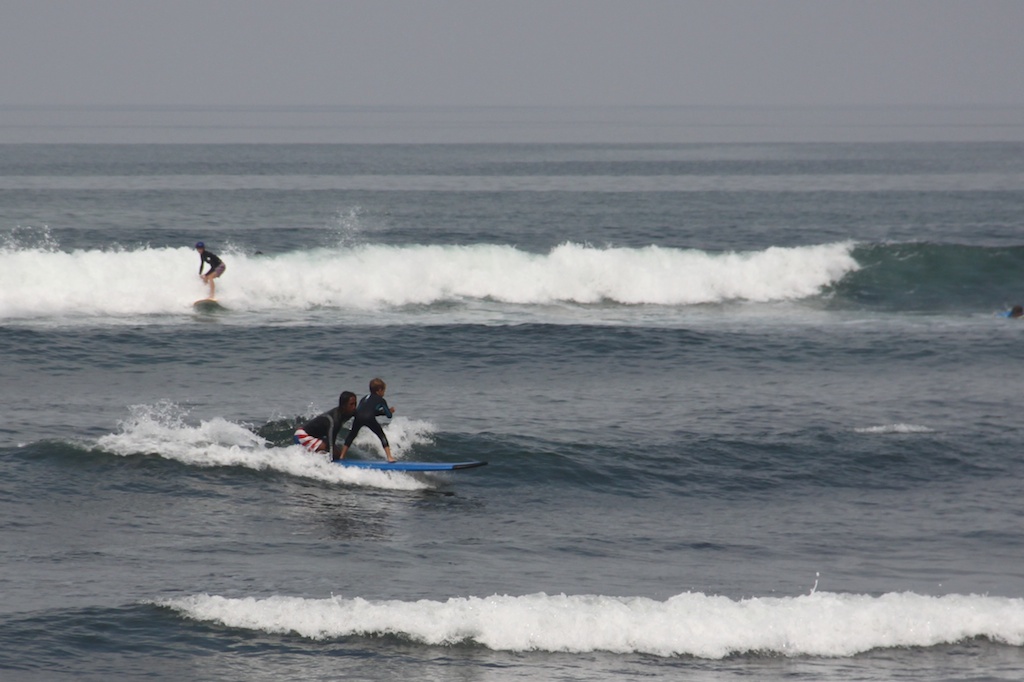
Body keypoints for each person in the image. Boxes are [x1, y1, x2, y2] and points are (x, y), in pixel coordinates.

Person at [337, 378, 397, 462]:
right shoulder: (381, 400)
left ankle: (342, 456)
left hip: (358, 416)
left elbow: (368, 410)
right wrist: (389, 411)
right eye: (384, 391)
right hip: (369, 417)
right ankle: (389, 457)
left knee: (352, 435)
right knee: (381, 435)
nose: (384, 393)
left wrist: (379, 412)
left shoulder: (364, 398)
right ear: (379, 390)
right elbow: (389, 416)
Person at [294, 391, 358, 460]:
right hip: (303, 436)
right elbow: (330, 446)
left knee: (336, 452)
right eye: (351, 404)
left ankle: (317, 453)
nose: (354, 407)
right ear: (343, 405)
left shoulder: (349, 412)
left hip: (316, 436)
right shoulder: (335, 421)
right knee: (334, 453)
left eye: (355, 404)